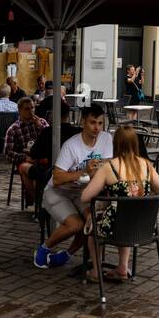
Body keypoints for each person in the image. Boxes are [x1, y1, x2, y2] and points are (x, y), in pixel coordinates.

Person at [81, 124, 159, 283]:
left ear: (116, 144)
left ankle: (96, 271)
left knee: (94, 225)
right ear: (135, 143)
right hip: (143, 226)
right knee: (127, 213)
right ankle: (122, 267)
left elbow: (85, 197)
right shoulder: (146, 165)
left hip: (116, 225)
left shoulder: (110, 167)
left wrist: (93, 176)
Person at [34, 104, 113, 269]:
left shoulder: (106, 139)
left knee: (92, 222)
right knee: (75, 224)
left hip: (82, 192)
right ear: (83, 122)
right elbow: (56, 178)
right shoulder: (71, 145)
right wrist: (84, 171)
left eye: (100, 123)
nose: (97, 128)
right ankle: (43, 249)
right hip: (58, 192)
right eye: (93, 122)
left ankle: (67, 254)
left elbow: (107, 165)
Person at [6, 97, 48, 209]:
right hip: (25, 159)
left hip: (43, 158)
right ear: (19, 110)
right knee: (28, 170)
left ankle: (40, 202)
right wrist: (26, 158)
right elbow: (8, 153)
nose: (31, 111)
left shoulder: (42, 122)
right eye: (27, 109)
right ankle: (39, 202)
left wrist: (40, 126)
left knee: (42, 172)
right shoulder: (13, 129)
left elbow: (51, 139)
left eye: (32, 108)